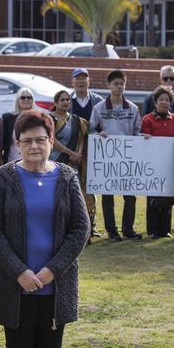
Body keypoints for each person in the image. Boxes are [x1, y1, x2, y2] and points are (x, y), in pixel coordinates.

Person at [0, 110, 90, 348]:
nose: (34, 146)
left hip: (54, 286)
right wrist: (20, 272)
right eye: (26, 140)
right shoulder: (4, 178)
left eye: (41, 139)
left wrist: (53, 270)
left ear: (51, 141)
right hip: (16, 286)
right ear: (17, 144)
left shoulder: (67, 177)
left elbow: (80, 228)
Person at [89, 69, 143, 242]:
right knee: (108, 196)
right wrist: (99, 135)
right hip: (108, 160)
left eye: (122, 84)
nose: (119, 87)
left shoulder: (133, 109)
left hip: (127, 159)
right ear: (109, 85)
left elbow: (138, 131)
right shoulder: (99, 108)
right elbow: (90, 130)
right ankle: (112, 231)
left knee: (130, 196)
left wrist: (143, 138)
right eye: (115, 83)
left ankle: (128, 229)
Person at [141, 65, 174, 232]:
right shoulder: (149, 106)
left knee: (173, 192)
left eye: (172, 78)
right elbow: (143, 134)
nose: (169, 81)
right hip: (154, 161)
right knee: (154, 195)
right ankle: (152, 228)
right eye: (166, 78)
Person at [50, 90, 95, 240]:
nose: (65, 102)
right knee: (57, 197)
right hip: (55, 163)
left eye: (68, 100)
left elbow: (83, 137)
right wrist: (70, 153)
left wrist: (79, 153)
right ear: (55, 103)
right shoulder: (49, 120)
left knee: (75, 197)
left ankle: (81, 231)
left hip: (73, 164)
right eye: (62, 100)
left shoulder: (77, 120)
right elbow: (51, 141)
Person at [141, 86, 174, 238]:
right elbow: (144, 142)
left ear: (171, 102)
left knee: (167, 198)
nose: (164, 102)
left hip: (170, 164)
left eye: (167, 100)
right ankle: (152, 230)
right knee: (152, 198)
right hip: (153, 165)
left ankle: (165, 229)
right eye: (161, 99)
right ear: (155, 101)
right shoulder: (147, 119)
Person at [69, 68, 102, 237]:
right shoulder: (66, 99)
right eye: (77, 79)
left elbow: (103, 124)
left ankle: (91, 224)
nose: (81, 82)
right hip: (72, 151)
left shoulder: (98, 100)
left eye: (84, 78)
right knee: (72, 187)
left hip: (93, 150)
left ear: (89, 81)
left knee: (91, 187)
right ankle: (74, 224)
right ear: (72, 81)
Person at [0, 87, 35, 164]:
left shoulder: (38, 118)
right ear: (18, 100)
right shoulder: (8, 118)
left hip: (32, 162)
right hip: (12, 162)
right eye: (23, 97)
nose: (26, 100)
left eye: (29, 97)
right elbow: (2, 143)